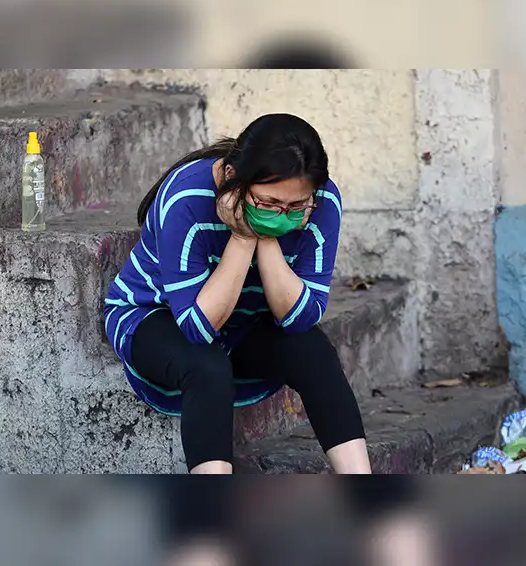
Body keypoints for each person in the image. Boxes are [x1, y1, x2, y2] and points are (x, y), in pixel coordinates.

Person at [103, 113, 370, 475]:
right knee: (207, 365)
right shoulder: (187, 196)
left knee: (314, 351)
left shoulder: (322, 203)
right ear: (232, 177)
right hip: (155, 317)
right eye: (268, 203)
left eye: (295, 207)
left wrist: (266, 236)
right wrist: (243, 238)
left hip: (246, 322)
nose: (283, 214)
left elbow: (302, 318)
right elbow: (198, 328)